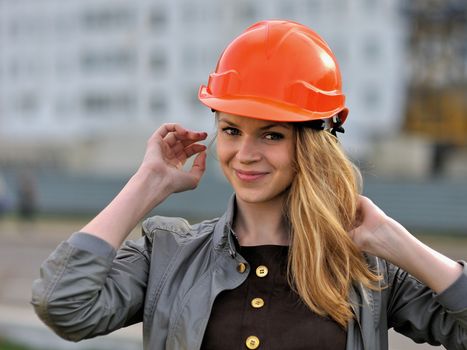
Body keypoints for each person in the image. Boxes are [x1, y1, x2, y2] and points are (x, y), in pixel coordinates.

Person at [32, 20, 467, 350]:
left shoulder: (368, 269)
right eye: (232, 130)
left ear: (313, 144)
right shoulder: (167, 256)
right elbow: (64, 305)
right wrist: (148, 184)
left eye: (272, 134)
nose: (245, 154)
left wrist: (394, 240)